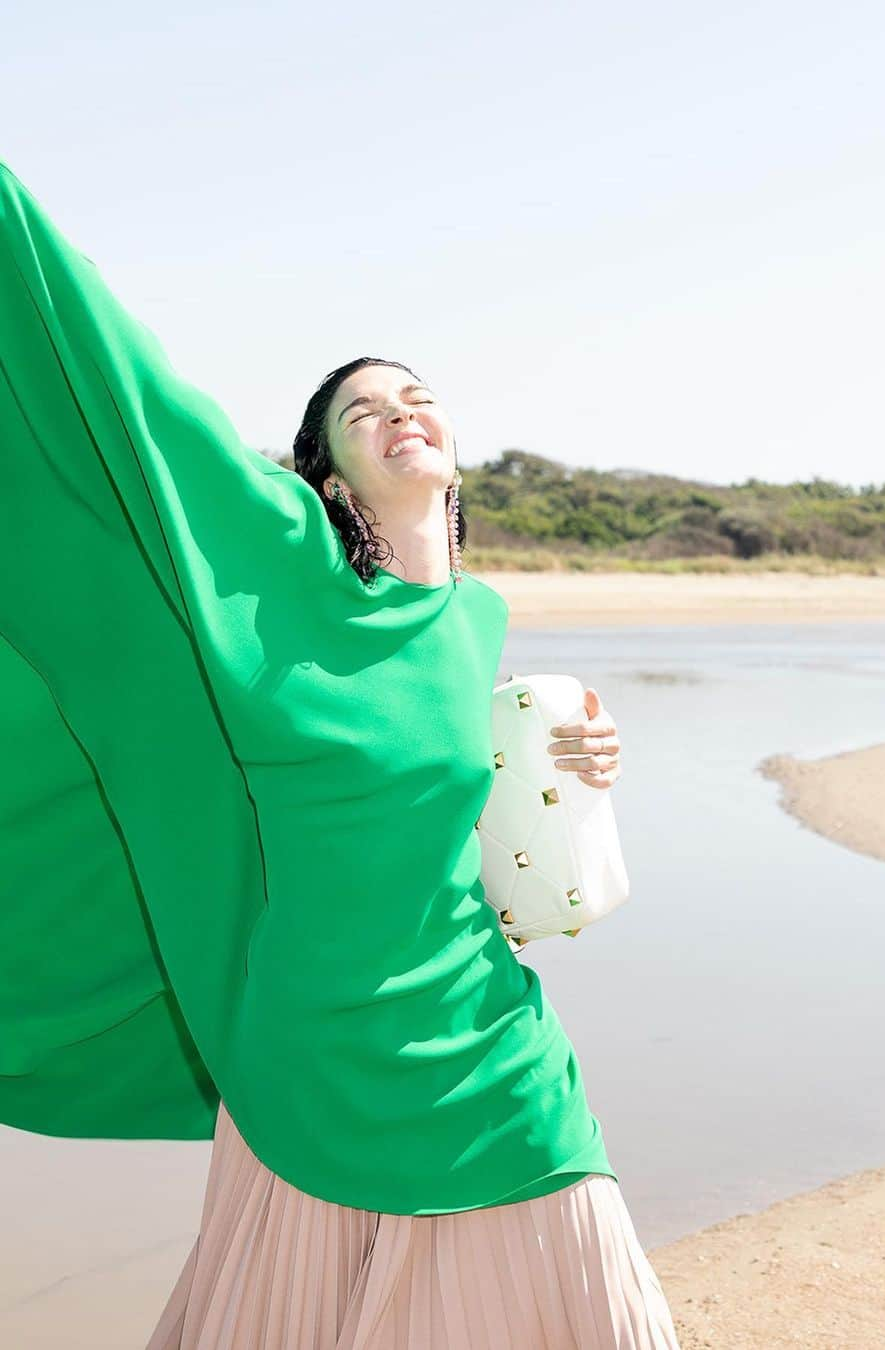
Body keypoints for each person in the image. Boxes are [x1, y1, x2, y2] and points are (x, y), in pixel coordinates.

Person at [0, 162, 682, 1348]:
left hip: (487, 1032)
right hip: (309, 1053)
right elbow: (140, 416)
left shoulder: (479, 621)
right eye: (364, 413)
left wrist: (581, 756)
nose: (401, 412)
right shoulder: (284, 606)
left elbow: (471, 817)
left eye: (417, 396)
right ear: (326, 477)